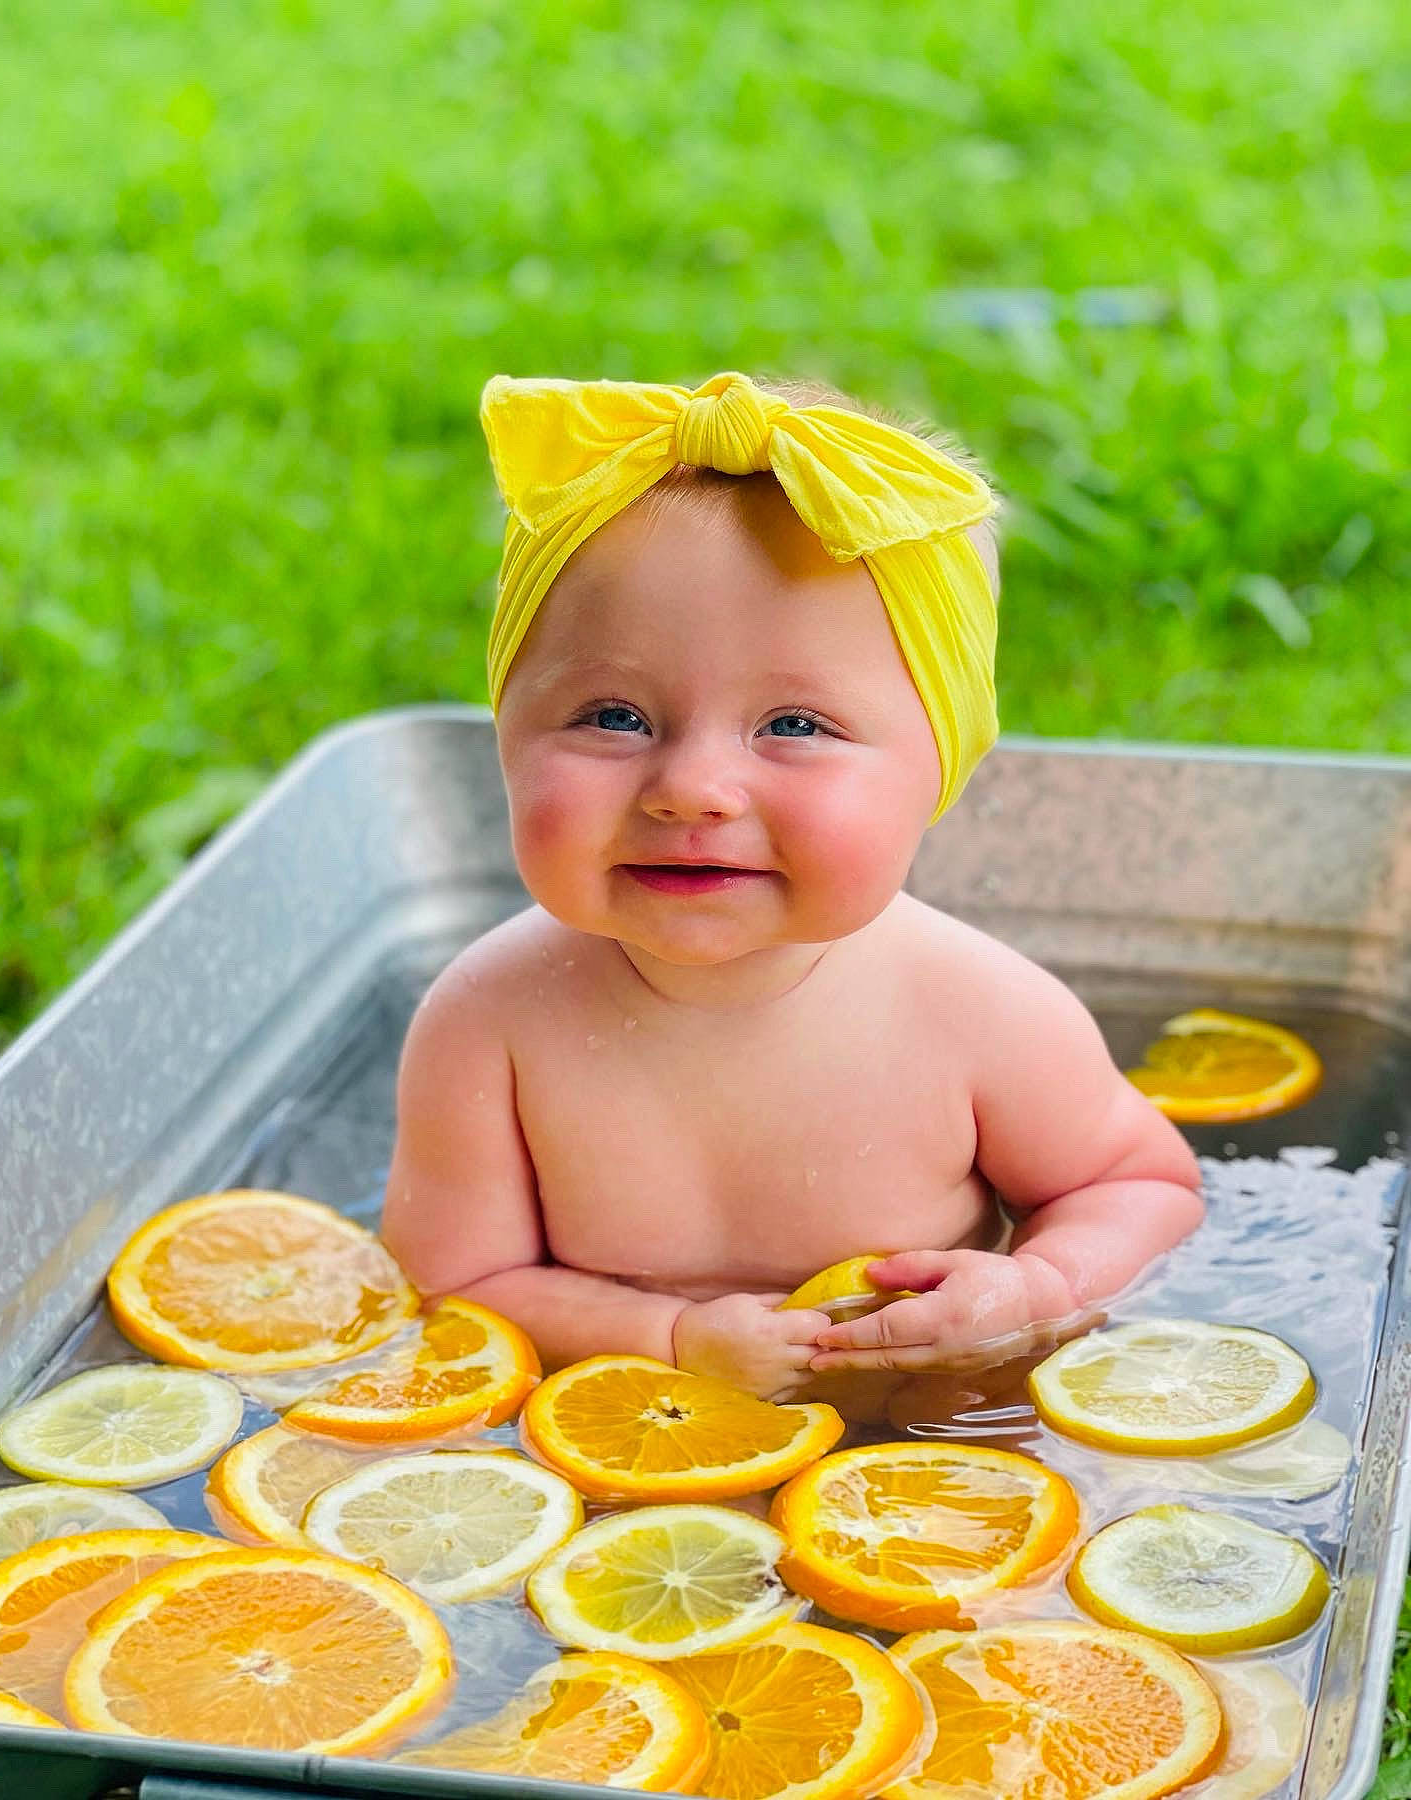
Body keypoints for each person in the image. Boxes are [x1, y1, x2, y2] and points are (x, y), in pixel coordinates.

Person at [380, 371, 1203, 1405]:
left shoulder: (977, 1012)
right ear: (506, 737)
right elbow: (452, 1284)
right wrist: (667, 1337)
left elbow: (1140, 1185)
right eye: (613, 716)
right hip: (631, 1451)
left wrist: (1037, 1284)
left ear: (936, 771)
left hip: (935, 1455)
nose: (690, 790)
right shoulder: (487, 1024)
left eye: (796, 726)